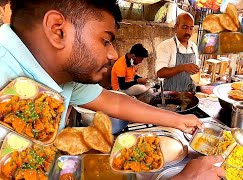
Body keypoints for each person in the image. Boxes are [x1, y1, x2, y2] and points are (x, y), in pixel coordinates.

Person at [0, 0, 203, 136]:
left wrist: (177, 120)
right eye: (105, 40)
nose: (113, 54)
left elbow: (112, 101)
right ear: (57, 30)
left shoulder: (62, 72)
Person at [156, 13, 200, 92]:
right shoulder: (166, 46)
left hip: (188, 95)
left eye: (191, 28)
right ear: (176, 28)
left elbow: (195, 72)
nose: (188, 32)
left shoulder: (194, 47)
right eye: (184, 27)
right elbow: (160, 73)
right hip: (169, 97)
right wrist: (183, 67)